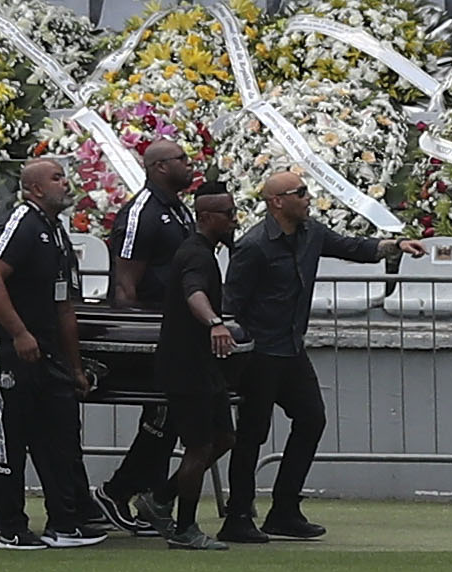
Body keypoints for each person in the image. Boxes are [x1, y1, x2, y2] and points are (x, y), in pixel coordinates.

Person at [0, 162, 106, 548]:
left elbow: (65, 304)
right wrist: (18, 332)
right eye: (56, 178)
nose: (66, 183)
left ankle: (64, 521)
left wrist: (74, 365)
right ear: (32, 188)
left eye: (66, 176)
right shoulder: (22, 223)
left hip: (47, 347)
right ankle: (8, 526)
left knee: (60, 431)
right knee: (9, 432)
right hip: (7, 344)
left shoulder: (57, 233)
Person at [218, 169, 342, 542]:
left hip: (290, 349)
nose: (308, 198)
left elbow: (351, 247)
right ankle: (238, 515)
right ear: (277, 202)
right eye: (300, 192)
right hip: (260, 354)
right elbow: (231, 304)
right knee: (252, 435)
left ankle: (284, 508)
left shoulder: (311, 233)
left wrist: (393, 247)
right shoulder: (254, 246)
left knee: (312, 418)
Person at [124, 181, 241, 552]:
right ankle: (185, 528)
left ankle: (160, 498)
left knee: (223, 439)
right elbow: (195, 294)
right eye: (228, 213)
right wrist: (215, 323)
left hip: (203, 366)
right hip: (186, 366)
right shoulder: (195, 255)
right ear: (206, 217)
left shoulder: (204, 251)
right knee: (198, 446)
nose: (234, 219)